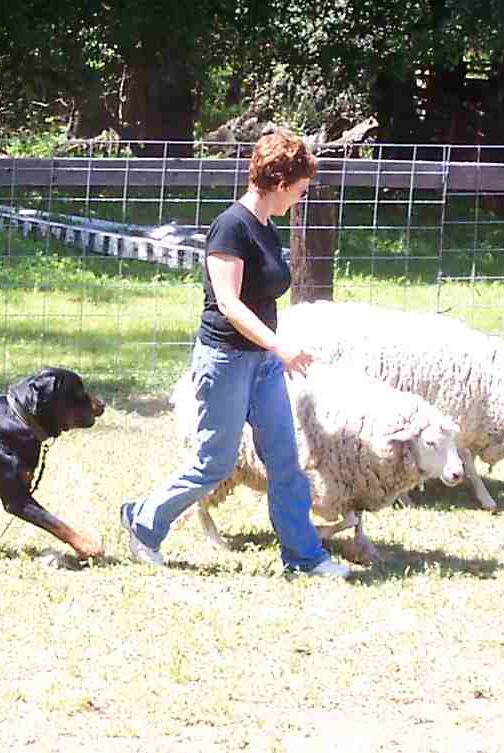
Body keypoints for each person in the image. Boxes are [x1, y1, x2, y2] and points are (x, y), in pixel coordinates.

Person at [120, 129, 351, 578]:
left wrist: (272, 351)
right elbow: (228, 303)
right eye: (300, 190)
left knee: (285, 461)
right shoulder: (231, 226)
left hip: (262, 364)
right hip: (225, 361)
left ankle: (305, 559)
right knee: (215, 463)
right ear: (281, 182)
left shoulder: (266, 225)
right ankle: (144, 521)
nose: (301, 199)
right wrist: (279, 345)